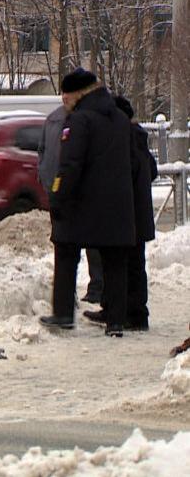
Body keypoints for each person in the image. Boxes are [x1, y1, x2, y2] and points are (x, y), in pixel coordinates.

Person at [39, 68, 134, 337]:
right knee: (115, 260)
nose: (63, 98)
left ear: (79, 93)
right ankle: (116, 321)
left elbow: (70, 165)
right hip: (117, 204)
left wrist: (57, 196)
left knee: (66, 250)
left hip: (83, 205)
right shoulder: (118, 118)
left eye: (65, 93)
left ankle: (63, 314)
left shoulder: (79, 121)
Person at [83, 96, 157, 331]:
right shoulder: (138, 137)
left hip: (129, 212)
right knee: (131, 264)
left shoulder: (128, 139)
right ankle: (123, 311)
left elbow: (128, 172)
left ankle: (133, 314)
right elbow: (152, 171)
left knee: (125, 265)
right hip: (138, 212)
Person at [38, 104, 104, 305]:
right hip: (57, 190)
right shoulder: (53, 119)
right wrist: (44, 176)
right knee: (64, 244)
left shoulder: (83, 119)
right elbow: (43, 151)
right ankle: (70, 294)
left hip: (77, 190)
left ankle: (96, 287)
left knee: (89, 242)